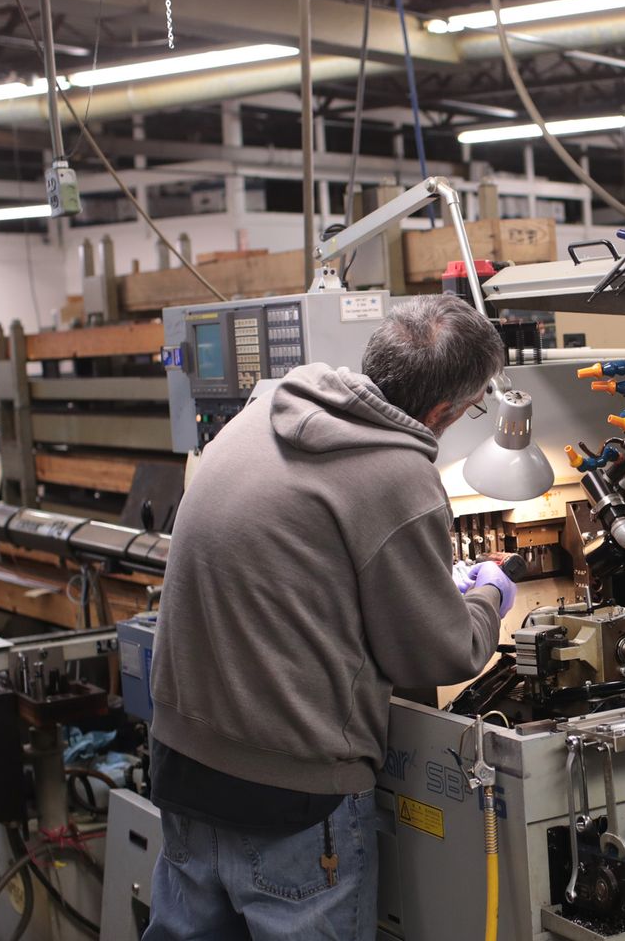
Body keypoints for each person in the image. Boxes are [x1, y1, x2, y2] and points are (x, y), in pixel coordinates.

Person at [144, 296, 518, 940]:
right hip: (291, 797)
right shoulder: (396, 474)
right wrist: (489, 596)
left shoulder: (260, 413)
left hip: (182, 766)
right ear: (443, 411)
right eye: (475, 407)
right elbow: (440, 654)